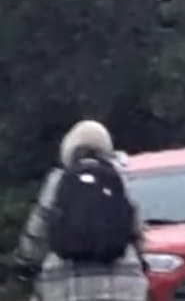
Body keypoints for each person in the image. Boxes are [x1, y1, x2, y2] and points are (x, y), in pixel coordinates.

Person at [13, 120, 148, 301]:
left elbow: (38, 231)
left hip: (65, 279)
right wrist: (141, 258)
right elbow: (134, 227)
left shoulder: (57, 181)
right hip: (122, 278)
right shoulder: (118, 178)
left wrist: (25, 265)